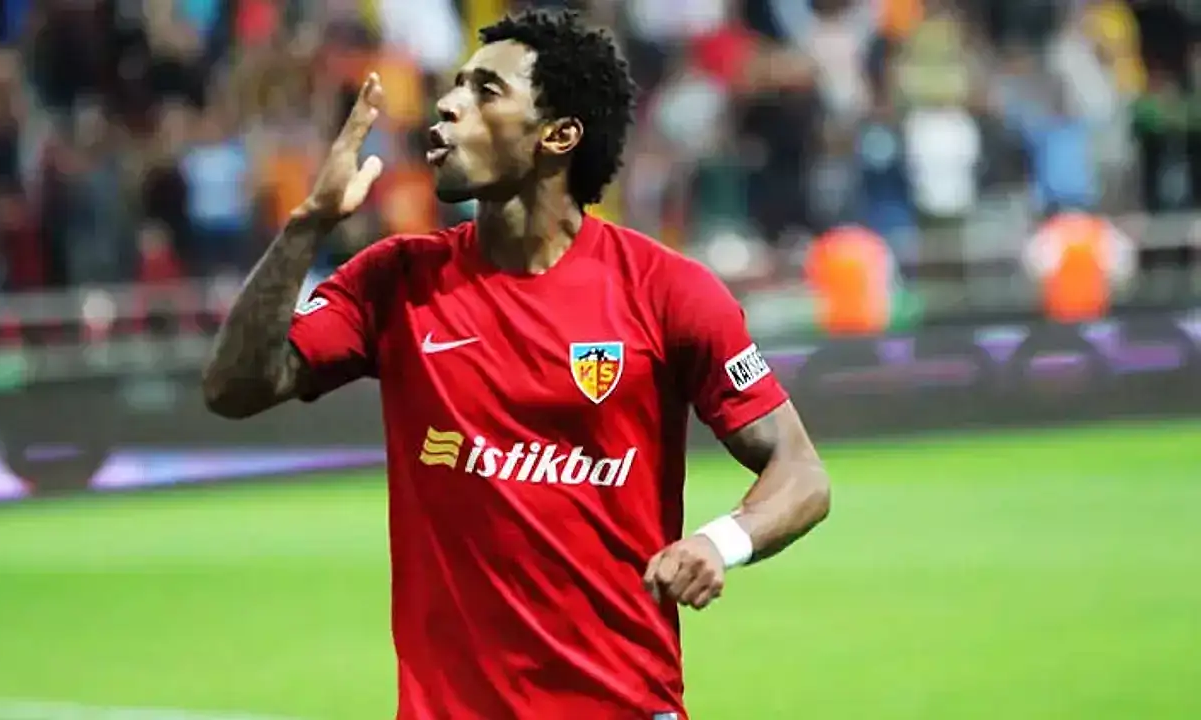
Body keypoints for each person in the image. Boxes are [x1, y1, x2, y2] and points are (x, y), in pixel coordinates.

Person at [202, 10, 830, 719]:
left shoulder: (667, 292)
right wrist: (305, 227)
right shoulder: (394, 282)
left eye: (485, 90)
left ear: (557, 135)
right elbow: (234, 388)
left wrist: (721, 542)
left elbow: (800, 470)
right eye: (455, 86)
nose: (447, 104)